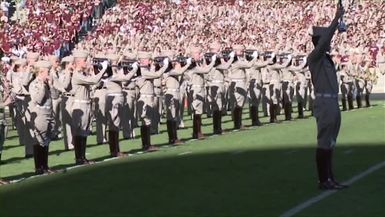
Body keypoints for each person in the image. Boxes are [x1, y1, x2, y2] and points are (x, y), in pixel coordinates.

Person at [307, 5, 348, 190]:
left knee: (331, 141)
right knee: (324, 141)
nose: (329, 42)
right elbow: (325, 41)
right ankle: (323, 180)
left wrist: (338, 22)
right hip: (324, 102)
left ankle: (330, 177)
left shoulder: (325, 57)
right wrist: (335, 18)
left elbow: (329, 40)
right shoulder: (314, 57)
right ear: (319, 41)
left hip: (331, 100)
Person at [71, 50, 108, 165]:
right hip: (80, 104)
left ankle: (82, 157)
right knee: (79, 132)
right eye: (85, 60)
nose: (87, 62)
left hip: (86, 103)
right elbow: (93, 81)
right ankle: (79, 158)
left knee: (84, 131)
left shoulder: (82, 74)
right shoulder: (77, 74)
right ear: (78, 61)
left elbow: (93, 83)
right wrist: (103, 69)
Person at [29, 60, 55, 175]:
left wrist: (51, 85)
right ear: (41, 72)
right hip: (40, 113)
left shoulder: (47, 83)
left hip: (49, 112)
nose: (49, 74)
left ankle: (45, 165)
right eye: (47, 72)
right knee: (40, 140)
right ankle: (39, 167)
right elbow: (38, 100)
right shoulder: (34, 84)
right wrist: (43, 87)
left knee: (47, 140)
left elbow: (55, 95)